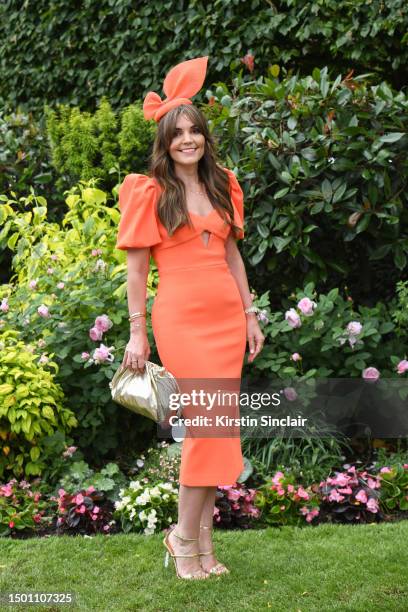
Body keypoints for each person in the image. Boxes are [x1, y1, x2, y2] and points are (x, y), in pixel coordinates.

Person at [115, 56, 265, 579]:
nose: (187, 140)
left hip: (226, 317)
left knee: (218, 429)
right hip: (180, 319)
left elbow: (231, 257)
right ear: (165, 141)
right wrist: (136, 333)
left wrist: (250, 315)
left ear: (204, 136)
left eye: (194, 131)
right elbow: (136, 272)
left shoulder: (225, 183)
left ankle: (202, 545)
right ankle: (182, 539)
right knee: (205, 428)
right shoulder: (149, 191)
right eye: (176, 133)